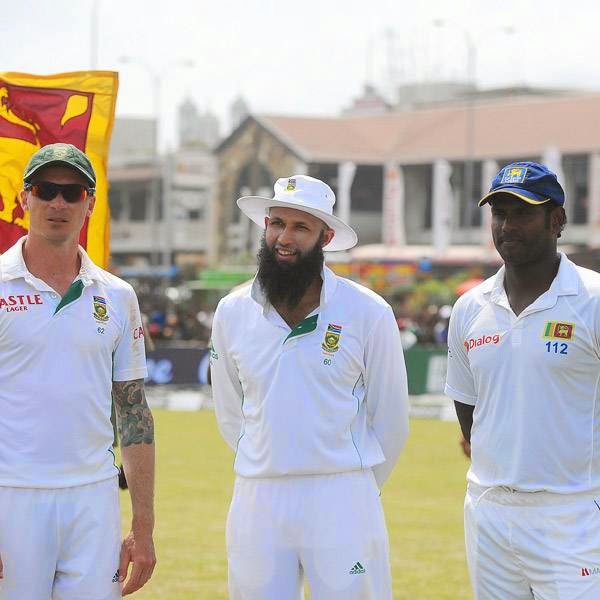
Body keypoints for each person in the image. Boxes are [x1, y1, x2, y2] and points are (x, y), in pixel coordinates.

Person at [210, 174, 409, 600]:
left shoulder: (367, 311)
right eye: (276, 223)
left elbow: (391, 417)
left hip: (342, 494)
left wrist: (355, 485)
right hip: (258, 495)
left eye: (300, 227)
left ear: (326, 235)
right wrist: (267, 459)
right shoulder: (231, 311)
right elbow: (229, 411)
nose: (284, 237)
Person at [0, 143, 156, 598]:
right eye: (46, 189)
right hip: (12, 495)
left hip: (94, 498)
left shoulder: (119, 295)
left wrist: (142, 527)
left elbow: (135, 415)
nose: (58, 203)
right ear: (25, 198)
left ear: (90, 204)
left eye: (72, 193)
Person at [445, 161, 600, 599]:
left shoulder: (592, 299)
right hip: (489, 509)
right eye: (500, 213)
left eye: (523, 212)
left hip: (573, 514)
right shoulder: (470, 307)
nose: (507, 225)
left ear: (557, 220)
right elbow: (467, 406)